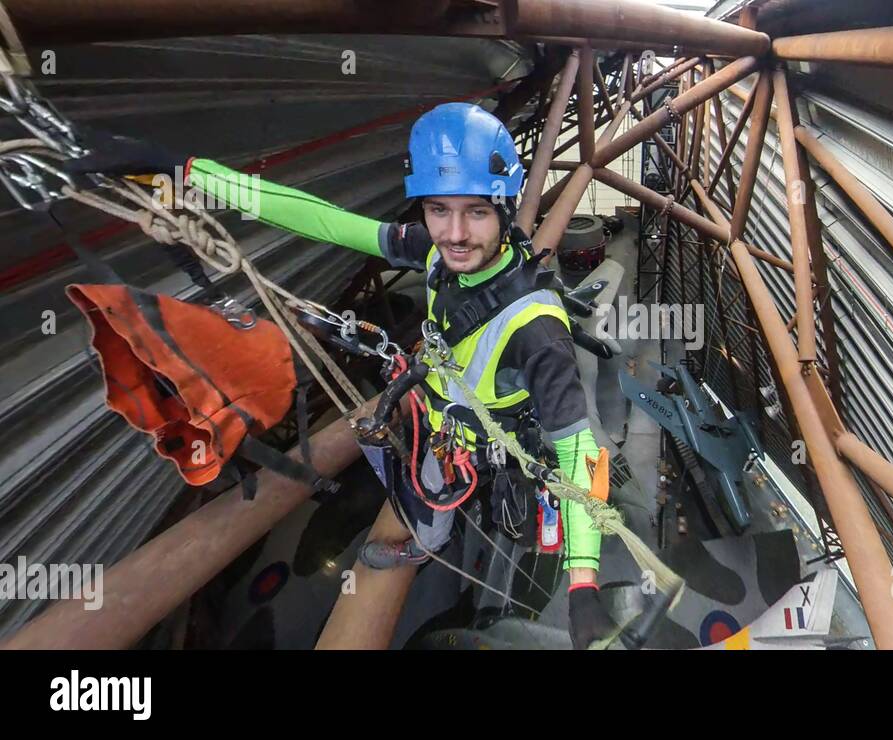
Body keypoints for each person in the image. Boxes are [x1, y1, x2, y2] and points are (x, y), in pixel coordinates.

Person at [68, 102, 620, 649]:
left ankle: (427, 541)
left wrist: (583, 580)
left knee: (442, 503)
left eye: (475, 211)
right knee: (425, 503)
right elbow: (324, 218)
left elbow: (579, 454)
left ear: (503, 205)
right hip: (439, 421)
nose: (454, 234)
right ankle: (423, 541)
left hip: (488, 446)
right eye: (438, 209)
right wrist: (189, 173)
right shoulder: (432, 249)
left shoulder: (536, 328)